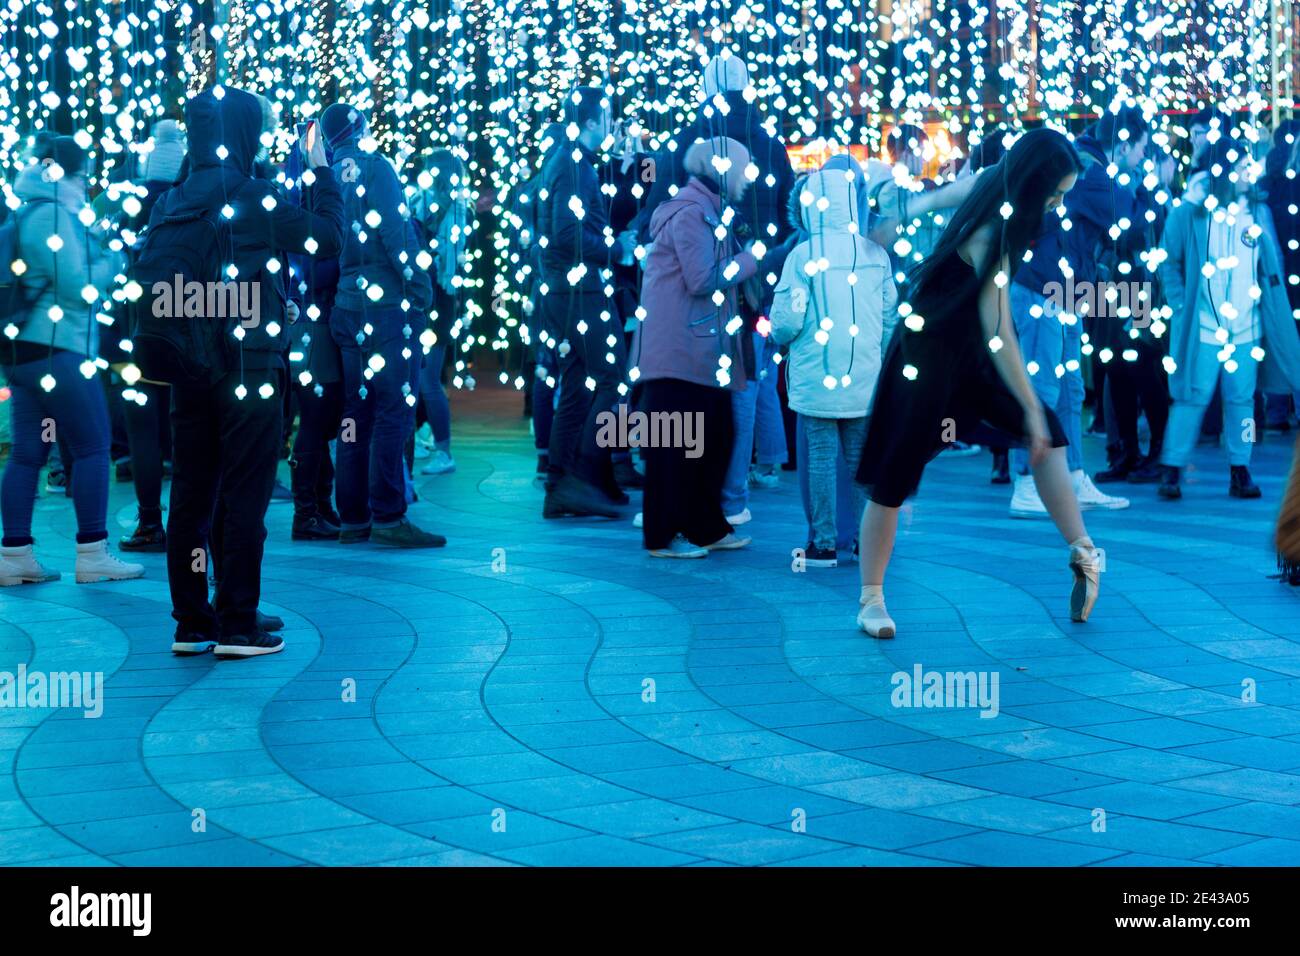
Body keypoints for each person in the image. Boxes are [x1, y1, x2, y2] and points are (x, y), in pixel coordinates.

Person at [856, 128, 1104, 637]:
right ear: (1033, 184)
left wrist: (904, 215)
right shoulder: (997, 232)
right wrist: (1029, 407)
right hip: (929, 355)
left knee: (1052, 436)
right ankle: (871, 600)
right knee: (895, 475)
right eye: (1055, 194)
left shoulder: (997, 180)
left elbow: (945, 194)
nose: (1058, 205)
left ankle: (1084, 552)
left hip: (967, 355)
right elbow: (999, 331)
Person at [154, 85, 344, 657]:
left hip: (188, 367)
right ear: (243, 135)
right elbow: (327, 238)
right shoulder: (254, 195)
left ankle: (193, 620)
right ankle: (237, 622)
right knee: (244, 492)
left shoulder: (173, 200)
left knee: (191, 493)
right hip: (249, 371)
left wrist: (263, 297)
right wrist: (320, 174)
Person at [0, 136, 144, 586]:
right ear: (63, 173)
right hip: (58, 351)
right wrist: (113, 260)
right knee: (92, 448)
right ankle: (93, 553)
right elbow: (78, 288)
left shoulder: (27, 211)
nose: (86, 183)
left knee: (27, 455)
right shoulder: (53, 214)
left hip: (24, 352)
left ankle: (15, 554)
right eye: (82, 174)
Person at [1007, 109, 1149, 518]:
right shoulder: (1092, 172)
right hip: (1042, 289)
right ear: (1122, 145)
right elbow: (1128, 221)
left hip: (1060, 289)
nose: (1141, 159)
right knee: (1044, 389)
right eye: (1140, 150)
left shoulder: (1081, 163)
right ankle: (1026, 481)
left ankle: (1071, 476)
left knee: (1069, 389)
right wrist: (1137, 185)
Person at [322, 102, 442, 547]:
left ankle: (353, 517)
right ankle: (389, 516)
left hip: (345, 307)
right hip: (386, 308)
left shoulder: (321, 175)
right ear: (360, 128)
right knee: (394, 409)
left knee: (357, 410)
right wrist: (421, 289)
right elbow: (397, 232)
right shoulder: (376, 168)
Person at [630, 137, 755, 558]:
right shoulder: (691, 214)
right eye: (743, 169)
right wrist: (753, 260)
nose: (747, 178)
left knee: (715, 437)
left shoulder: (704, 210)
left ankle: (704, 525)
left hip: (696, 349)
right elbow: (702, 278)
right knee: (677, 446)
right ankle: (663, 535)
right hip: (678, 351)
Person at [770, 165, 898, 568]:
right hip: (864, 374)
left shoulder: (802, 255)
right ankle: (864, 538)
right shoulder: (874, 253)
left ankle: (823, 542)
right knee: (862, 457)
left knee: (822, 458)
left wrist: (781, 336)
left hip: (816, 375)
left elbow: (787, 321)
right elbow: (891, 314)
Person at [1157, 138, 1300, 500]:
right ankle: (1171, 467)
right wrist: (1179, 305)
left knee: (1243, 401)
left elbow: (1270, 263)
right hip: (1203, 327)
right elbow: (1168, 262)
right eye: (1240, 165)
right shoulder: (1188, 213)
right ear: (1221, 169)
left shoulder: (1256, 212)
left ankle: (1242, 466)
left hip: (1247, 327)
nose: (1247, 172)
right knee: (1192, 396)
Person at [537, 87, 637, 519]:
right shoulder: (575, 164)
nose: (611, 126)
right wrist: (616, 250)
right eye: (608, 118)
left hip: (567, 291)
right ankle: (583, 478)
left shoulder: (565, 159)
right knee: (611, 380)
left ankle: (562, 484)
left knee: (578, 386)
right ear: (595, 120)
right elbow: (567, 234)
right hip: (583, 292)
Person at [284, 123, 345, 540]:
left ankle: (318, 506)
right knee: (315, 419)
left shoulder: (292, 203)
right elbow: (314, 268)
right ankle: (307, 512)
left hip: (307, 327)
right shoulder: (306, 210)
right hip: (311, 328)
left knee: (318, 420)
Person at [410, 149, 469, 477]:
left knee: (428, 379)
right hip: (431, 300)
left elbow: (443, 263)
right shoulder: (426, 204)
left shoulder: (449, 212)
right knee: (423, 378)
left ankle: (444, 449)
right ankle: (427, 436)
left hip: (438, 301)